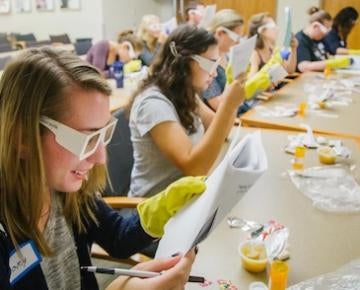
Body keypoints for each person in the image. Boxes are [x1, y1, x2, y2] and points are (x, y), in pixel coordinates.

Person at [0, 47, 206, 290]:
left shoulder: (69, 191)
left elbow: (118, 238)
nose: (100, 157)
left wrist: (160, 208)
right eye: (86, 139)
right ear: (22, 138)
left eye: (103, 134)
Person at [129, 24, 246, 197]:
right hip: (154, 210)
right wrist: (228, 106)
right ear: (184, 62)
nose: (214, 74)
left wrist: (233, 101)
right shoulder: (153, 104)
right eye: (210, 64)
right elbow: (194, 168)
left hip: (185, 198)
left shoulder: (185, 92)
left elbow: (222, 130)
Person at [201, 9, 245, 111]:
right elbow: (218, 105)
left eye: (240, 38)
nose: (238, 42)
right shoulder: (206, 62)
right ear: (220, 33)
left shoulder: (228, 57)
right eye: (236, 37)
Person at [295, 6, 351, 72]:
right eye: (325, 30)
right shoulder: (300, 40)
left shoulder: (319, 38)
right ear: (315, 26)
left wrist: (335, 60)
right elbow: (304, 67)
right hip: (309, 78)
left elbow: (328, 55)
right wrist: (332, 63)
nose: (326, 34)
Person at [248, 12, 297, 78]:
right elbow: (251, 80)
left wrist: (293, 49)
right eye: (273, 26)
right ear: (261, 30)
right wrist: (268, 83)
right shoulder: (255, 53)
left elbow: (289, 70)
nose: (277, 29)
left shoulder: (273, 49)